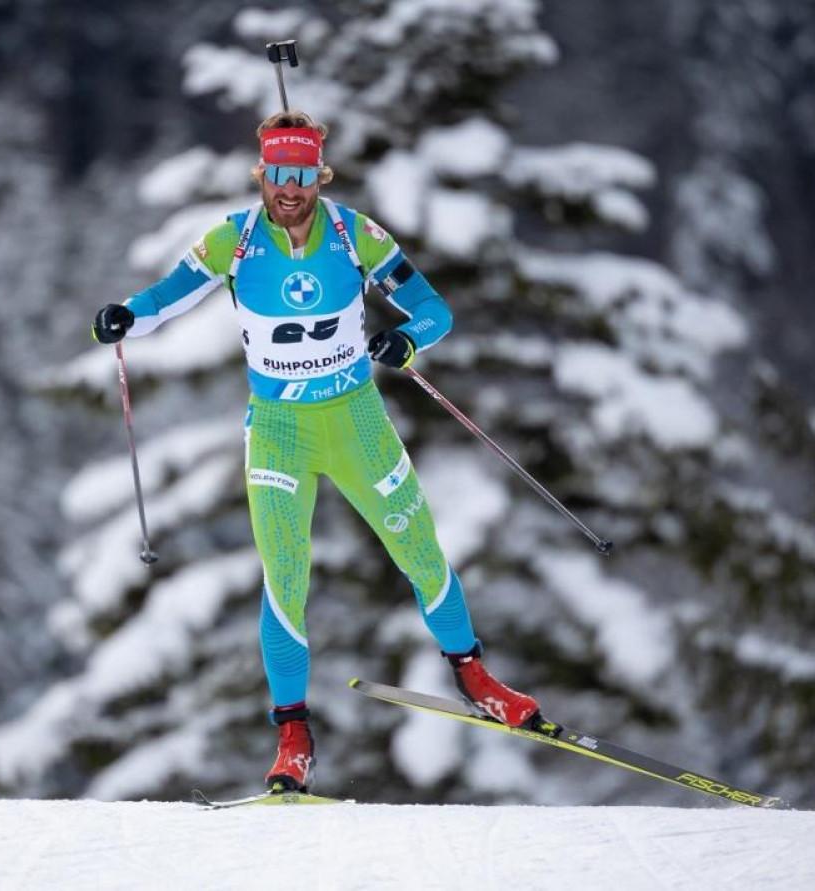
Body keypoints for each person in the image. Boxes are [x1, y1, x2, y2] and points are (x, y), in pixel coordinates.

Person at [91, 111, 541, 793]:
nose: (290, 188)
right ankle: (293, 736)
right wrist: (124, 313)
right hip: (279, 428)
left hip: (355, 417)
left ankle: (475, 676)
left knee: (419, 548)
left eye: (302, 174)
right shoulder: (233, 241)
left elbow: (434, 309)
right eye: (279, 173)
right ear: (263, 173)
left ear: (319, 175)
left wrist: (408, 339)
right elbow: (164, 299)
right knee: (285, 574)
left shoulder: (352, 233)